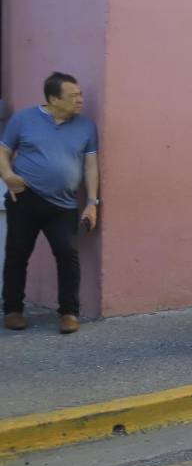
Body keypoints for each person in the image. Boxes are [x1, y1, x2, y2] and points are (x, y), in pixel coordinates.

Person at [1, 72, 99, 334]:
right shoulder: (23, 119)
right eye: (73, 96)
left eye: (81, 95)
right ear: (54, 99)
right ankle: (13, 310)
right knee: (17, 253)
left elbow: (90, 166)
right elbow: (3, 150)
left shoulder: (87, 126)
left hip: (64, 205)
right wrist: (8, 176)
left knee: (68, 253)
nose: (80, 100)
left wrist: (92, 202)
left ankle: (68, 313)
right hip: (25, 198)